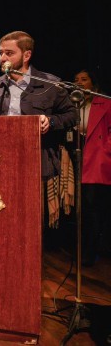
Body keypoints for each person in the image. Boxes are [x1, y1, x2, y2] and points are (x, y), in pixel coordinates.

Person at [0, 30, 77, 238]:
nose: (3, 58)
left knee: (29, 223)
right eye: (1, 53)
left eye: (9, 53)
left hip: (35, 163)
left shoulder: (50, 84)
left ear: (26, 55)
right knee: (0, 220)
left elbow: (72, 115)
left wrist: (51, 121)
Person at [73, 69, 111, 265]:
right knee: (82, 208)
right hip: (77, 159)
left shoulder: (105, 102)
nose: (79, 83)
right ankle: (84, 249)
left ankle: (92, 252)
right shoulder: (74, 103)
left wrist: (105, 149)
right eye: (76, 80)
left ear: (93, 84)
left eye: (84, 79)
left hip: (98, 161)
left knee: (94, 208)